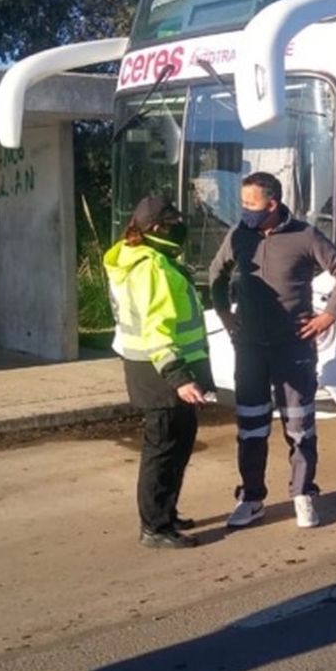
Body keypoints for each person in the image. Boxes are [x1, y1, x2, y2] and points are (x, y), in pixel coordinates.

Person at [209, 172, 336, 529]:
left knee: (300, 425)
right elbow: (216, 275)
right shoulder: (239, 236)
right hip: (249, 351)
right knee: (251, 427)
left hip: (293, 349)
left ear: (272, 205)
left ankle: (303, 494)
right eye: (242, 203)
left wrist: (328, 316)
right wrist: (226, 317)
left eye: (251, 204)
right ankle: (252, 497)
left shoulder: (304, 236)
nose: (244, 211)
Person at [103, 194, 215, 549]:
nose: (181, 229)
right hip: (161, 373)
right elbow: (157, 329)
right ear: (155, 228)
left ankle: (165, 511)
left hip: (150, 368)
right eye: (172, 223)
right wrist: (179, 378)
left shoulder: (139, 256)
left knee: (178, 445)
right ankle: (155, 526)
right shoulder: (152, 267)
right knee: (163, 449)